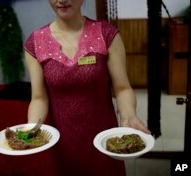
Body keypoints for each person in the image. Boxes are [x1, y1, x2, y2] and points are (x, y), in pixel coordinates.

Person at [24, 0, 151, 175]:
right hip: (61, 141)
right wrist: (32, 129)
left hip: (102, 138)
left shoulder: (106, 34)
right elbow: (39, 97)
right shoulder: (35, 42)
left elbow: (122, 88)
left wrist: (129, 116)